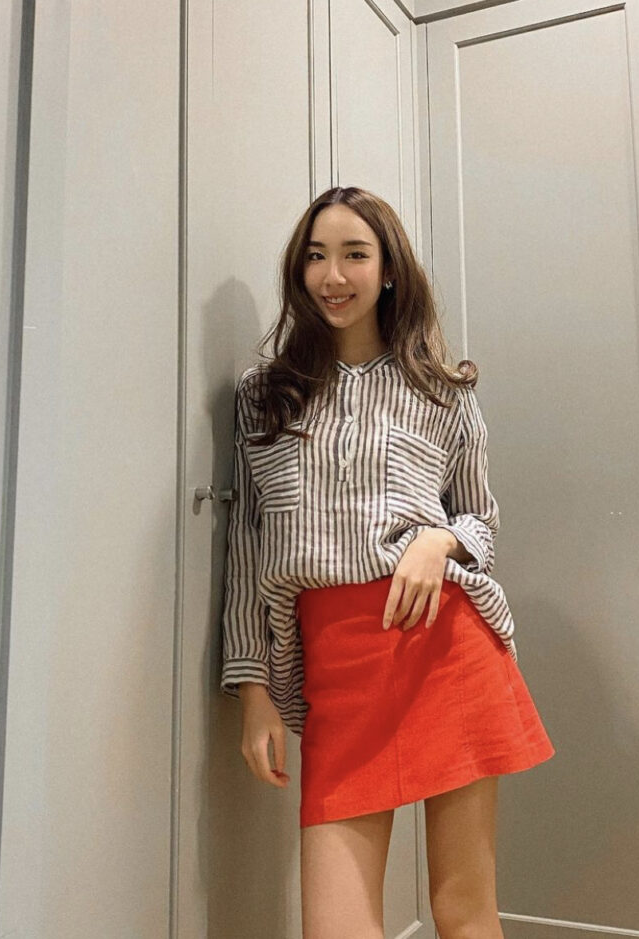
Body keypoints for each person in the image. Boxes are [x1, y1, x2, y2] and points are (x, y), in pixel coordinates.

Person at [220, 185, 554, 939]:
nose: (333, 275)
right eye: (316, 256)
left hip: (443, 645)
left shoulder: (442, 389)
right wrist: (253, 691)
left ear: (389, 269)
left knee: (462, 911)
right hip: (336, 669)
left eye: (354, 254)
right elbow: (248, 545)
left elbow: (480, 521)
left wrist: (439, 542)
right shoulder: (265, 396)